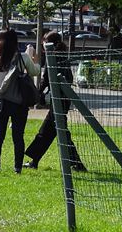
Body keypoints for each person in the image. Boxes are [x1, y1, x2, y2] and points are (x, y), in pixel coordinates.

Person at [24, 31, 85, 171]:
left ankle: (35, 160)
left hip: (59, 101)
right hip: (62, 99)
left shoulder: (54, 57)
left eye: (44, 42)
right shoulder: (62, 56)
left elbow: (46, 80)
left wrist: (38, 94)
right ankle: (75, 163)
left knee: (48, 131)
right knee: (57, 131)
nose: (42, 45)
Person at [0, 29, 40, 173]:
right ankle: (17, 167)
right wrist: (33, 57)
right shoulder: (22, 57)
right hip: (19, 102)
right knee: (18, 137)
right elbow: (35, 71)